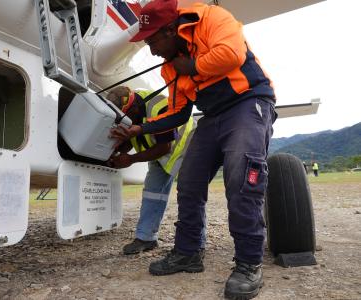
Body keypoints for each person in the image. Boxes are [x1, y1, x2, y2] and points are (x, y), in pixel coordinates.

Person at [109, 0, 277, 299]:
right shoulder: (169, 67)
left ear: (171, 29)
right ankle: (188, 253)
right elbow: (179, 113)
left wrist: (194, 66)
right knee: (188, 183)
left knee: (241, 178)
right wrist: (141, 128)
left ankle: (249, 263)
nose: (152, 51)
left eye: (153, 41)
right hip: (212, 116)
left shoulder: (213, 17)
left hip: (248, 103)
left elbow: (232, 54)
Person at [106, 86, 205, 255]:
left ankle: (196, 243)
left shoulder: (159, 107)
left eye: (125, 117)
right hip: (158, 153)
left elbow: (163, 147)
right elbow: (133, 137)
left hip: (185, 149)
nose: (123, 121)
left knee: (190, 195)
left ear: (134, 107)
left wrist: (130, 159)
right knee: (152, 193)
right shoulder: (133, 112)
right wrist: (117, 151)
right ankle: (146, 238)